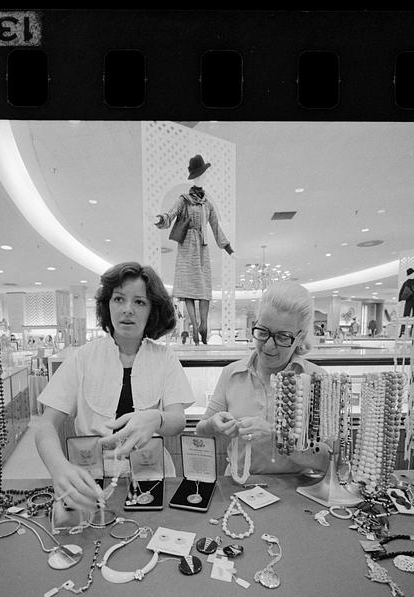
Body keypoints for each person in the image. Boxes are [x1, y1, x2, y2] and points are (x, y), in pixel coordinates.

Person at [36, 262, 194, 515]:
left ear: (152, 309)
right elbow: (45, 425)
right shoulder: (83, 357)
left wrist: (156, 418)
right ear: (107, 304)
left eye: (139, 302)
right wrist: (59, 467)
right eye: (119, 299)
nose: (127, 310)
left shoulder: (165, 358)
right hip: (89, 476)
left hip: (151, 473)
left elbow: (177, 421)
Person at [195, 280, 329, 476]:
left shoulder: (316, 380)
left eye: (283, 337)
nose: (268, 346)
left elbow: (326, 459)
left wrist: (277, 436)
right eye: (263, 332)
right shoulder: (232, 373)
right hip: (238, 486)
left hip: (296, 493)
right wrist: (213, 424)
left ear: (300, 337)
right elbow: (201, 430)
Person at [154, 154, 234, 346]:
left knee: (204, 289)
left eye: (204, 174)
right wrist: (161, 219)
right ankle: (195, 325)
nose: (202, 177)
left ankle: (202, 324)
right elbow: (171, 214)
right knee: (188, 290)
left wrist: (227, 247)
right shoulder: (183, 199)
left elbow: (216, 227)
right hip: (186, 247)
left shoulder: (208, 204)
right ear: (194, 176)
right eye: (200, 174)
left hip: (202, 247)